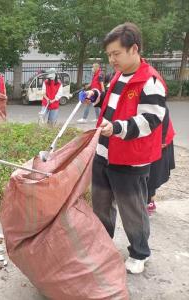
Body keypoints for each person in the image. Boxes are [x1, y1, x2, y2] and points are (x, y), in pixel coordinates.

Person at [87, 23, 167, 274]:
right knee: (101, 205)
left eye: (116, 54)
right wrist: (95, 96)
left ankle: (139, 253)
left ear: (134, 49)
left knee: (131, 209)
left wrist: (119, 128)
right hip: (104, 153)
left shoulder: (150, 81)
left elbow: (151, 120)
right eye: (109, 55)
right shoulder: (119, 76)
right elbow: (112, 104)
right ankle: (102, 246)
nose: (111, 60)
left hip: (130, 160)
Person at [147, 107, 175, 214]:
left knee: (153, 170)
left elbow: (164, 110)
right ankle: (147, 199)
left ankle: (149, 201)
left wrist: (162, 138)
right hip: (151, 135)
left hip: (160, 136)